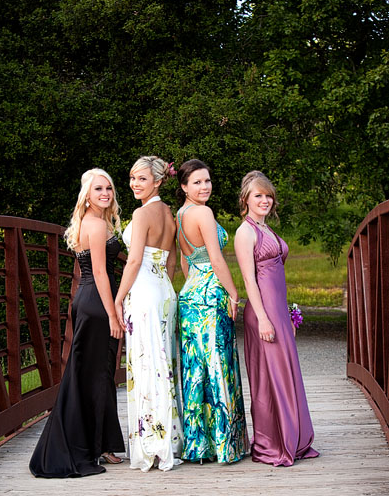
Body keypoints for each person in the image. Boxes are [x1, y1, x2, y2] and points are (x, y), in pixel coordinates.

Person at [29, 168, 125, 477]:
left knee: (98, 374)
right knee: (95, 376)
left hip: (90, 300)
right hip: (97, 304)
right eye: (98, 189)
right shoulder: (95, 224)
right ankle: (86, 447)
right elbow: (99, 272)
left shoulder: (94, 221)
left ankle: (102, 444)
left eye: (108, 188)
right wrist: (113, 314)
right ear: (86, 195)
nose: (105, 193)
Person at [234, 170, 319, 467]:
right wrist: (263, 319)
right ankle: (272, 443)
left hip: (278, 311)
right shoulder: (245, 232)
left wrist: (287, 315)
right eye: (258, 195)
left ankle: (293, 438)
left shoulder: (267, 229)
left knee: (286, 373)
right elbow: (249, 279)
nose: (265, 200)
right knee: (270, 378)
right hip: (262, 313)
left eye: (268, 195)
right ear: (245, 199)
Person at [176, 159, 249, 464]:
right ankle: (224, 445)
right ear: (184, 186)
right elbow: (216, 260)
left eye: (207, 181)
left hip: (190, 293)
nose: (204, 187)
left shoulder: (180, 214)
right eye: (197, 182)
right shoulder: (203, 213)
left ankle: (198, 445)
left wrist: (194, 285)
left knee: (196, 370)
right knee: (219, 365)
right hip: (210, 293)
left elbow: (185, 260)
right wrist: (233, 293)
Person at [115, 156, 183, 472]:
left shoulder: (142, 214)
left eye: (141, 178)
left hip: (144, 290)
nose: (134, 184)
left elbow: (133, 261)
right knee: (162, 364)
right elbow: (171, 261)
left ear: (157, 181)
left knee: (147, 365)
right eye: (132, 178)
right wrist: (163, 287)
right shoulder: (169, 213)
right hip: (164, 290)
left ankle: (153, 444)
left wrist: (119, 299)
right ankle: (168, 438)